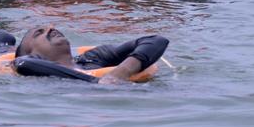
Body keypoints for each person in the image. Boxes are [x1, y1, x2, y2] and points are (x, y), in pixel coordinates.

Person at [13, 26, 169, 83]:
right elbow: (23, 64)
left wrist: (118, 74)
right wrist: (94, 82)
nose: (51, 29)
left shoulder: (91, 58)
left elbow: (156, 40)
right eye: (39, 33)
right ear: (30, 52)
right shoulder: (27, 64)